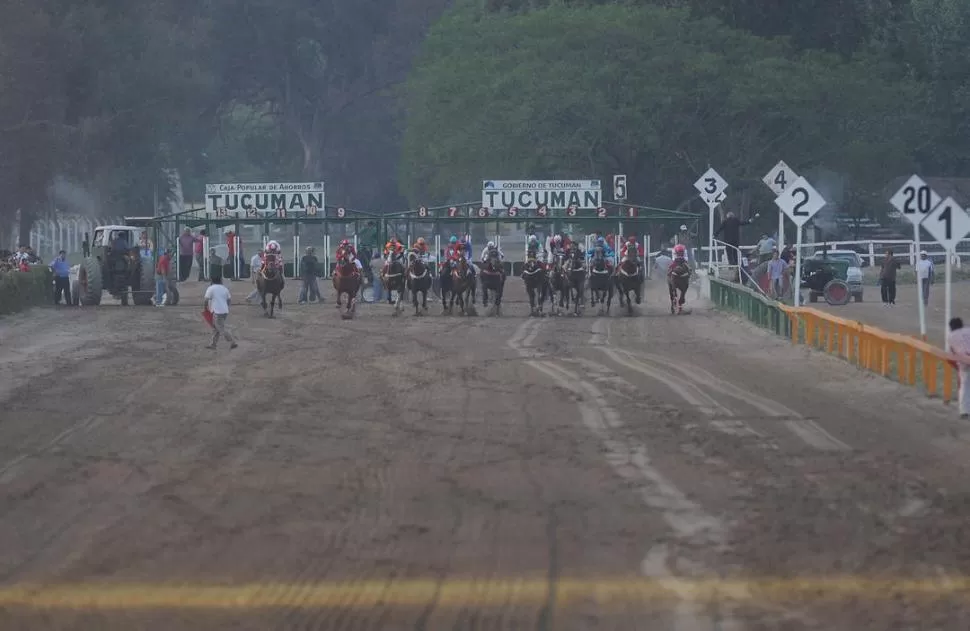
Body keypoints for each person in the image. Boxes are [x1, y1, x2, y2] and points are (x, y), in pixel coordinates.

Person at [203, 277, 237, 350]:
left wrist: (206, 308)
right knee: (216, 328)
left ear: (212, 281)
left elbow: (206, 300)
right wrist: (225, 307)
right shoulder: (224, 288)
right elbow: (229, 300)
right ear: (220, 281)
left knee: (221, 328)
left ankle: (232, 342)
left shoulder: (211, 288)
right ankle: (213, 344)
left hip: (216, 311)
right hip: (224, 311)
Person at [948, 317, 970, 418]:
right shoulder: (968, 330)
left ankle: (964, 411)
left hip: (963, 362)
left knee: (964, 387)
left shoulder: (951, 336)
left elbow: (952, 353)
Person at [668, 244, 691, 313]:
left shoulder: (685, 252)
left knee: (688, 267)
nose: (680, 254)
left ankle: (682, 297)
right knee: (671, 266)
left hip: (683, 261)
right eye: (679, 253)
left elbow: (685, 259)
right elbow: (674, 260)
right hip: (675, 260)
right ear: (677, 252)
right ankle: (669, 275)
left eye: (681, 253)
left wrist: (683, 260)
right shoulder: (674, 251)